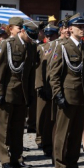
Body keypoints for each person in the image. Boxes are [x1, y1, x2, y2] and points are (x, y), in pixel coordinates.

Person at [48, 14, 84, 168]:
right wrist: (58, 94)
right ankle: (60, 165)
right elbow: (54, 73)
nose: (82, 29)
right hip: (66, 96)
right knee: (62, 132)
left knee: (75, 133)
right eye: (79, 27)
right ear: (70, 29)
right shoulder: (62, 47)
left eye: (83, 27)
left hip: (81, 97)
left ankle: (72, 164)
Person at [0, 17, 38, 168]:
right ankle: (5, 158)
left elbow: (30, 73)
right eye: (29, 36)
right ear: (23, 31)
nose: (31, 39)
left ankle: (17, 157)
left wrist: (31, 94)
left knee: (18, 128)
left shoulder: (30, 47)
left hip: (22, 93)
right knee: (3, 127)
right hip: (7, 92)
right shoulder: (8, 44)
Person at [34, 22, 59, 157]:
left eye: (52, 35)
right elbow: (37, 69)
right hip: (43, 86)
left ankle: (48, 143)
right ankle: (40, 138)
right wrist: (39, 85)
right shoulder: (40, 48)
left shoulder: (60, 48)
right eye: (47, 35)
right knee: (41, 116)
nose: (49, 38)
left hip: (55, 87)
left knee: (51, 118)